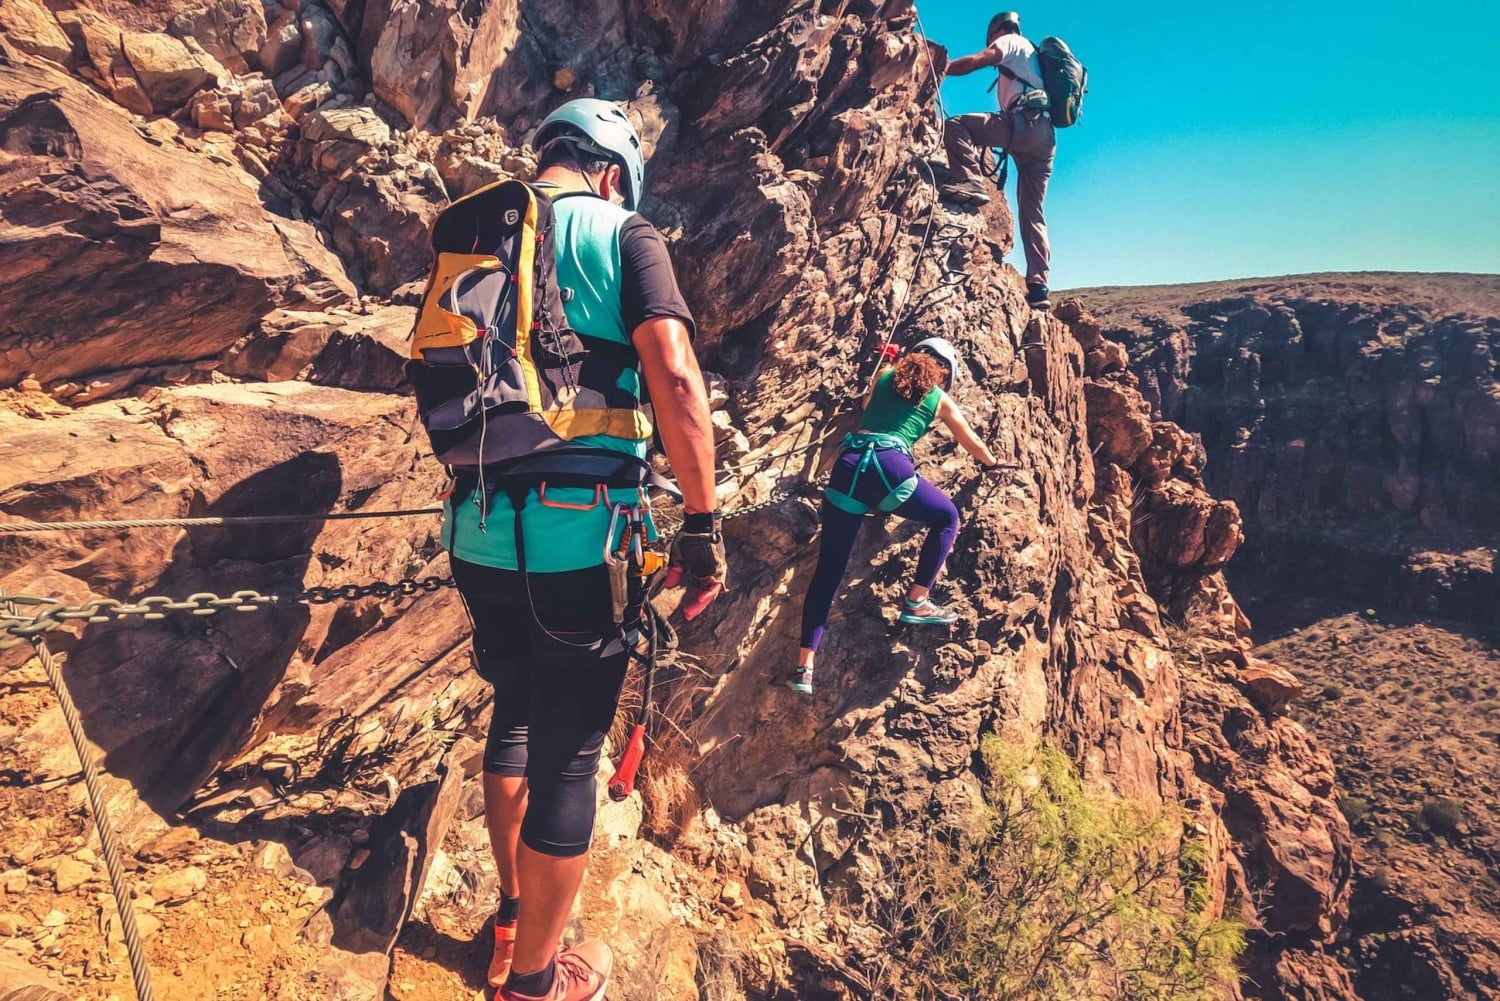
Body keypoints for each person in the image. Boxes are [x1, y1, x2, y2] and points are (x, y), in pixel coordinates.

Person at [441, 98, 725, 1001]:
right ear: (610, 172)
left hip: (479, 532)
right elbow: (673, 373)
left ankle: (512, 919)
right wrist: (703, 522)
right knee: (568, 752)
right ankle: (534, 981)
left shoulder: (481, 238)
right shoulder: (623, 232)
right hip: (580, 540)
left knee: (514, 717)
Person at [790, 338, 999, 694]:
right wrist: (992, 464)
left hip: (848, 466)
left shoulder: (885, 374)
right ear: (944, 373)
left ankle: (804, 667)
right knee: (947, 517)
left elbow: (867, 405)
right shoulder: (939, 398)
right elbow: (971, 442)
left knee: (828, 572)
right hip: (889, 468)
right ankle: (917, 601)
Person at [939, 10, 1056, 311]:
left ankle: (970, 181)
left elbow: (979, 60)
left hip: (1022, 123)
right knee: (1032, 213)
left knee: (957, 126)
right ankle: (1039, 287)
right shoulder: (1033, 57)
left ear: (996, 31)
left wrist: (943, 67)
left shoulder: (1010, 42)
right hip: (1044, 138)